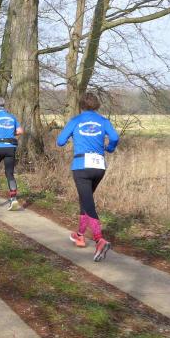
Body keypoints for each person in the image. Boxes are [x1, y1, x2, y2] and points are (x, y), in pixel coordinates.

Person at [57, 92, 120, 262]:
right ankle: (79, 235)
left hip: (81, 166)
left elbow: (60, 141)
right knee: (85, 200)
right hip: (99, 167)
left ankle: (99, 239)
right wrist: (110, 148)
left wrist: (73, 137)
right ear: (97, 105)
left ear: (81, 105)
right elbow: (115, 137)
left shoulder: (76, 120)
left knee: (88, 202)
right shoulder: (103, 121)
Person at [0, 97, 23, 210]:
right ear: (3, 105)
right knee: (10, 173)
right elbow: (20, 131)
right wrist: (10, 135)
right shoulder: (12, 117)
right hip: (10, 148)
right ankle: (13, 199)